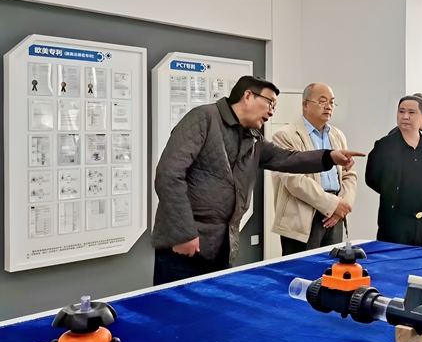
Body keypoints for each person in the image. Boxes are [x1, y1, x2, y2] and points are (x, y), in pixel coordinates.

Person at [151, 76, 364, 285]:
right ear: (248, 96)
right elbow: (169, 175)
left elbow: (288, 159)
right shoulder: (203, 118)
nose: (272, 112)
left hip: (221, 246)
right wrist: (184, 233)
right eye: (270, 103)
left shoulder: (252, 137)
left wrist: (329, 157)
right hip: (186, 244)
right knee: (173, 307)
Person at [271, 83, 357, 255]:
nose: (328, 106)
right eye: (322, 101)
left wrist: (343, 205)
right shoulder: (285, 135)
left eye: (332, 102)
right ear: (305, 104)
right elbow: (295, 180)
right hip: (303, 217)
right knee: (302, 269)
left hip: (336, 215)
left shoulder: (337, 135)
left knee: (333, 266)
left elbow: (349, 174)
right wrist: (332, 204)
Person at [366, 96, 422, 248]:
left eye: (411, 112)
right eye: (401, 111)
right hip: (396, 222)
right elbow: (372, 178)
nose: (405, 116)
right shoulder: (384, 145)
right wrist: (392, 191)